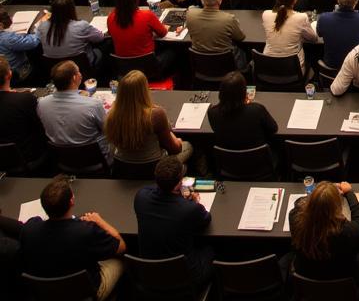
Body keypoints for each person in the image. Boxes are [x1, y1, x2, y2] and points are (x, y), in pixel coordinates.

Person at [19, 175, 126, 299]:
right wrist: (99, 220)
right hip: (87, 292)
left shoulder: (29, 229)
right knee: (121, 260)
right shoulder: (86, 231)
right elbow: (121, 246)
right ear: (72, 201)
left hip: (48, 292)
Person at [134, 155, 213, 285]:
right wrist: (192, 202)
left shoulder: (140, 197)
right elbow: (206, 218)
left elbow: (152, 189)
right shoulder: (189, 209)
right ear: (179, 183)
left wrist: (178, 195)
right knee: (213, 249)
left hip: (151, 275)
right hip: (186, 278)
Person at [287, 180, 359, 283]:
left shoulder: (295, 218)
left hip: (307, 281)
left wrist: (323, 193)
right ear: (336, 208)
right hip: (341, 283)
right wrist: (348, 192)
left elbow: (298, 202)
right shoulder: (345, 232)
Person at [37, 60, 110, 160]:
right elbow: (108, 130)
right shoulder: (93, 104)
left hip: (63, 159)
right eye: (78, 71)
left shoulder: (42, 103)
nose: (81, 74)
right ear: (74, 78)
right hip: (94, 159)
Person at [106, 0, 175, 78]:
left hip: (125, 69)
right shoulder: (147, 15)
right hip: (150, 69)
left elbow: (112, 34)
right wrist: (164, 28)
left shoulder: (111, 17)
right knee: (174, 51)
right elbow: (163, 33)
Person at [207, 70, 278, 150]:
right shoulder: (256, 110)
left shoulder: (212, 113)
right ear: (243, 92)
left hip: (228, 160)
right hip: (258, 159)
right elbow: (274, 129)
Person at [186, 0, 247, 70]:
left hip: (201, 66)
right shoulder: (228, 19)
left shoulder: (190, 14)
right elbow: (241, 37)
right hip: (226, 67)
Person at [36, 0, 105, 69]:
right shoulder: (81, 26)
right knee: (101, 50)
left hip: (55, 69)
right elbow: (100, 38)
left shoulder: (42, 26)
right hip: (80, 67)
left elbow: (37, 37)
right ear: (72, 10)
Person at [263, 0, 317, 73]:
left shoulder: (265, 14)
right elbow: (313, 38)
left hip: (269, 68)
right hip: (294, 71)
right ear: (295, 0)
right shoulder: (301, 18)